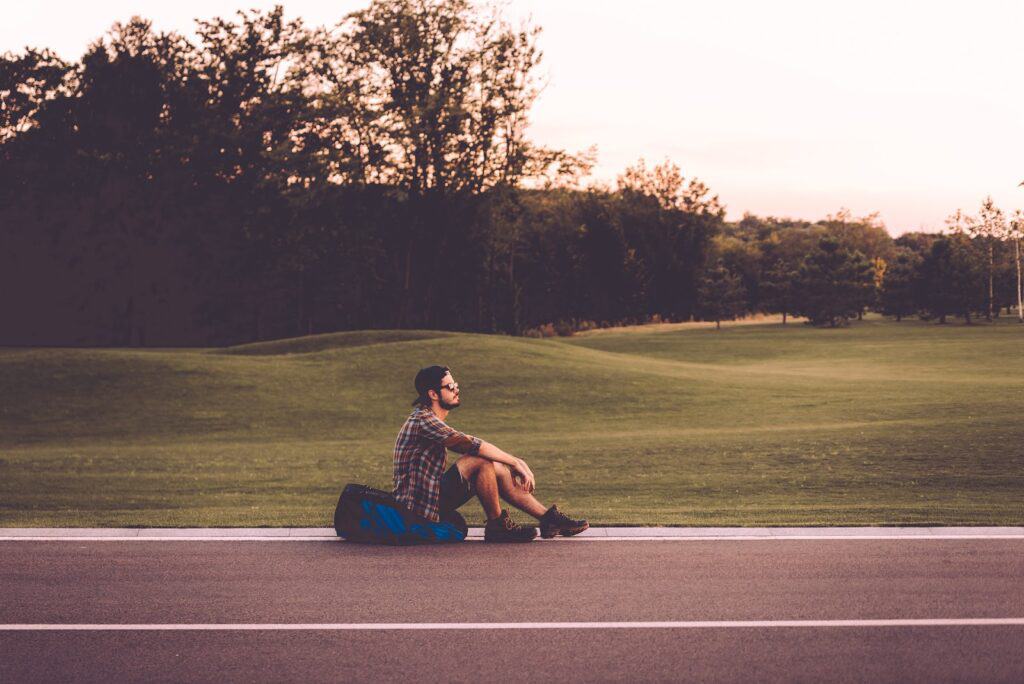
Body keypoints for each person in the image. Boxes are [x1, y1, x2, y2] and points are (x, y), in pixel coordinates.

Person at [393, 365, 588, 543]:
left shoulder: (429, 419)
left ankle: (548, 519)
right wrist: (516, 462)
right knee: (480, 459)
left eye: (456, 384)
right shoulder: (423, 421)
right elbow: (471, 445)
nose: (456, 389)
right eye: (450, 386)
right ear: (433, 394)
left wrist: (512, 463)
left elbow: (472, 444)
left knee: (492, 465)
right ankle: (498, 525)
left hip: (430, 497)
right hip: (417, 506)